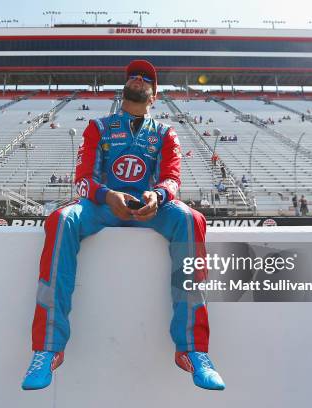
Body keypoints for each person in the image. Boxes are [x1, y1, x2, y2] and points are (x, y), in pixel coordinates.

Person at [22, 59, 225, 392]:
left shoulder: (165, 133)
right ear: (125, 87)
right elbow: (83, 181)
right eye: (134, 75)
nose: (140, 78)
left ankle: (193, 350)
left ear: (154, 95)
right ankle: (48, 348)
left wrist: (158, 197)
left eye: (147, 78)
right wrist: (106, 195)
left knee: (191, 220)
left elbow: (173, 179)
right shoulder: (98, 127)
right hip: (103, 206)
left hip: (151, 208)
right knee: (61, 219)